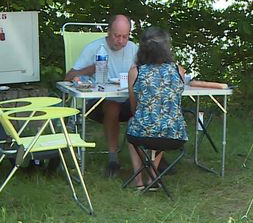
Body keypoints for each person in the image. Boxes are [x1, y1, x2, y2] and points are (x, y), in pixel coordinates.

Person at [65, 14, 138, 177]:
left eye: (125, 37)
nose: (120, 41)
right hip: (97, 103)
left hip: (127, 99)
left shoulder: (133, 48)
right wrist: (89, 70)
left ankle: (152, 156)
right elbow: (68, 76)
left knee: (147, 104)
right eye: (116, 36)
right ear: (108, 32)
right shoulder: (95, 48)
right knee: (112, 105)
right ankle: (113, 159)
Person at [125, 27, 188, 190]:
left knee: (135, 122)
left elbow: (134, 108)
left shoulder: (136, 72)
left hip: (143, 134)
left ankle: (138, 179)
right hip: (175, 135)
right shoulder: (178, 70)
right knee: (163, 124)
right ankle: (153, 177)